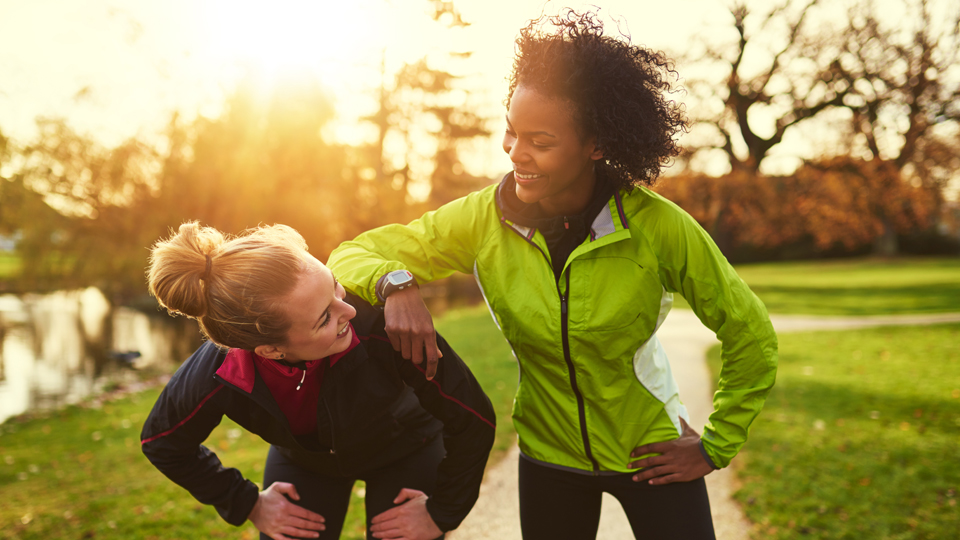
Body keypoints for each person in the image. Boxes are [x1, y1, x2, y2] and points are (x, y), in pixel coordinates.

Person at [327, 10, 778, 540]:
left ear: (598, 145)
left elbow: (749, 331)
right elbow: (350, 254)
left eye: (540, 141)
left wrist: (713, 446)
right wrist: (395, 284)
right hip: (548, 457)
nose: (517, 153)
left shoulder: (657, 227)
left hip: (649, 452)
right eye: (511, 132)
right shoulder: (481, 217)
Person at [140, 222, 495, 540]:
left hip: (408, 448)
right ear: (271, 350)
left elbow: (473, 418)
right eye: (325, 318)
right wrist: (248, 503)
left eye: (336, 288)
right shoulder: (219, 372)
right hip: (304, 463)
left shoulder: (385, 328)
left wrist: (440, 514)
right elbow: (163, 441)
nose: (350, 311)